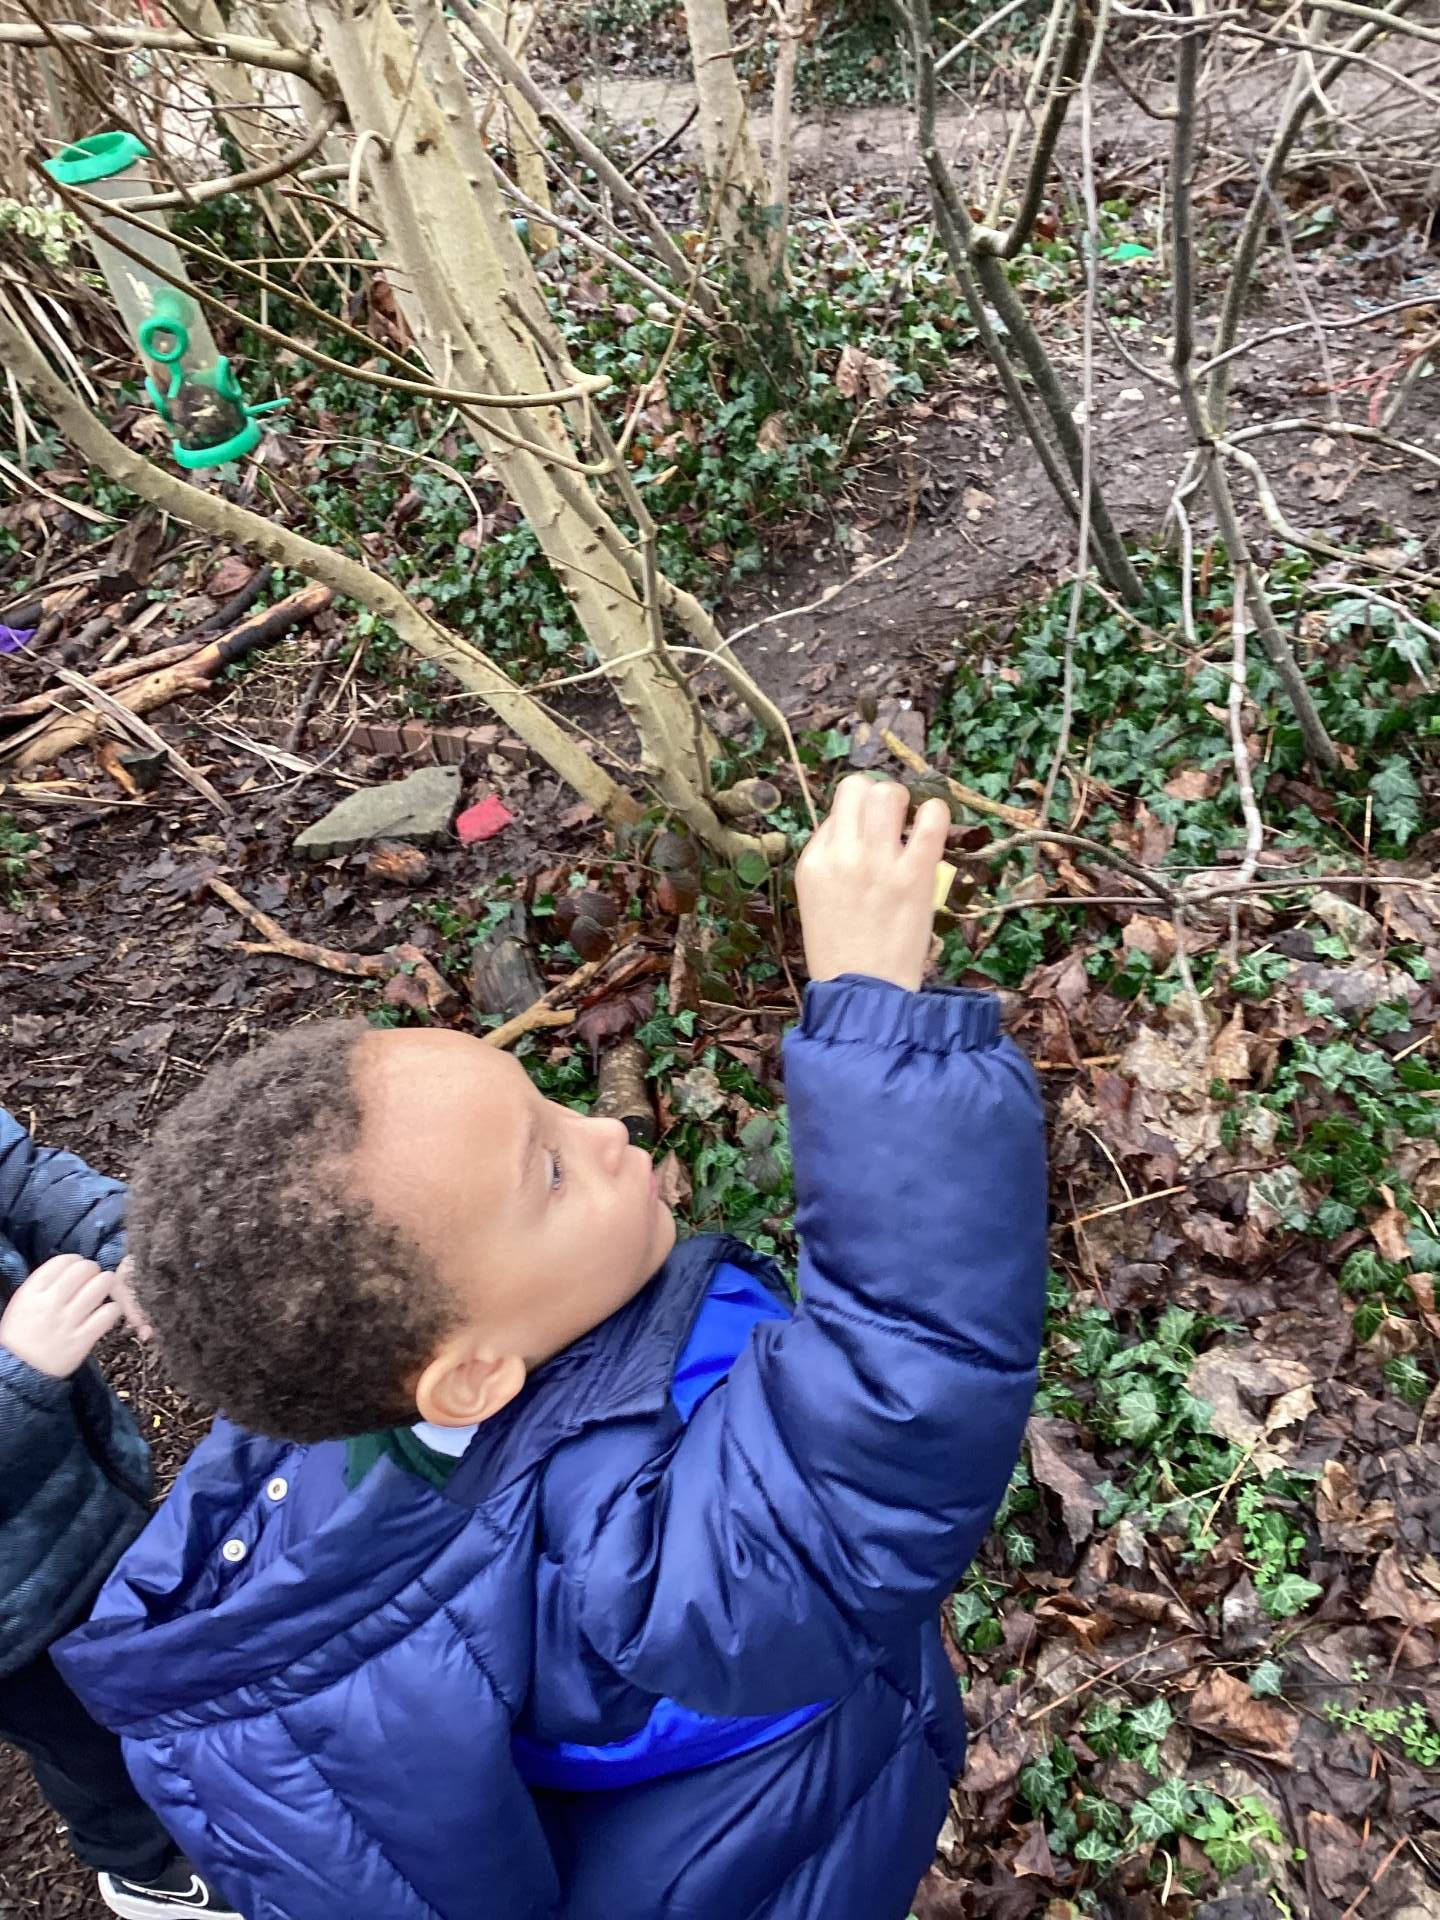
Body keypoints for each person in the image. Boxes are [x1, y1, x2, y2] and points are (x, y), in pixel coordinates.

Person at [57, 775, 1048, 1920]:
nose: (611, 1130)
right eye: (553, 1171)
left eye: (553, 1105)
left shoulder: (370, 1394)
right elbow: (890, 1394)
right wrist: (874, 1015)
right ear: (473, 1376)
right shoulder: (612, 1555)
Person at [0, 1111, 239, 1918]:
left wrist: (126, 1245)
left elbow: (20, 1176)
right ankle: (142, 1865)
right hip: (12, 1625)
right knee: (91, 1745)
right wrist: (19, 1379)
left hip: (80, 1489)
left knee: (149, 1642)